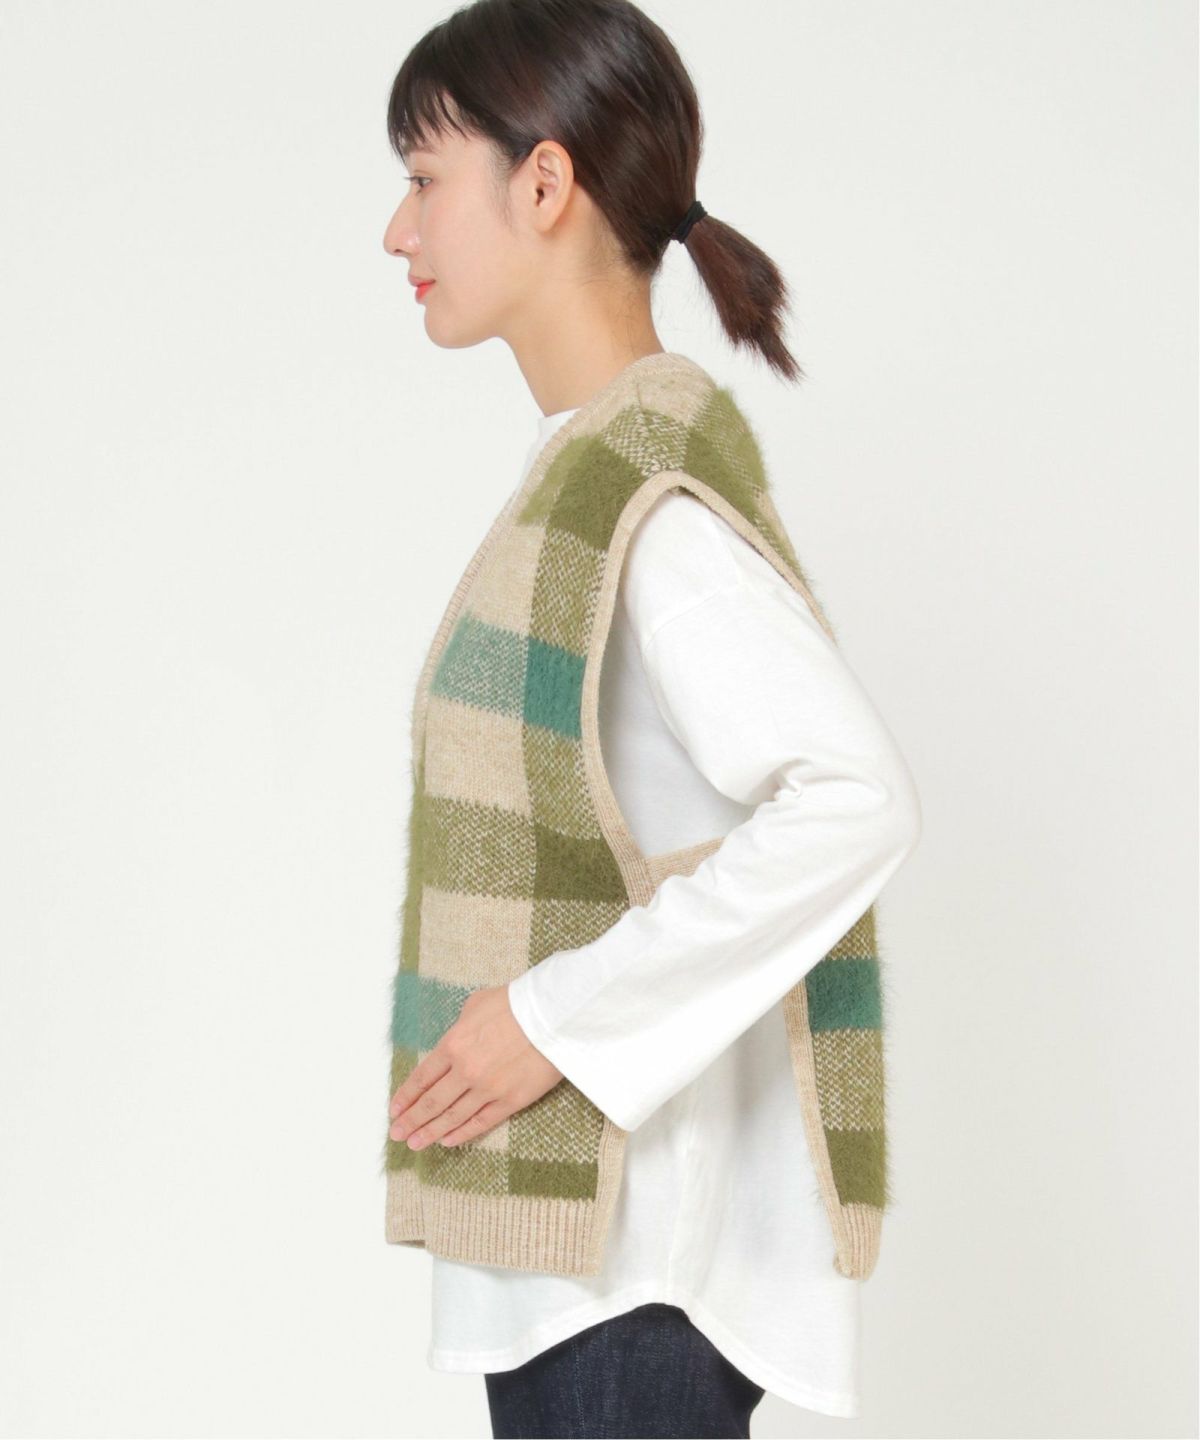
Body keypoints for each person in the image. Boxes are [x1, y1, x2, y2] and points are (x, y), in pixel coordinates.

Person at [380, 2, 923, 1436]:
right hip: (595, 1281)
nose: (398, 230)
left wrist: (550, 1023)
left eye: (424, 179)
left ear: (543, 183)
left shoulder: (646, 511)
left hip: (632, 1287)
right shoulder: (593, 481)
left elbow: (855, 798)